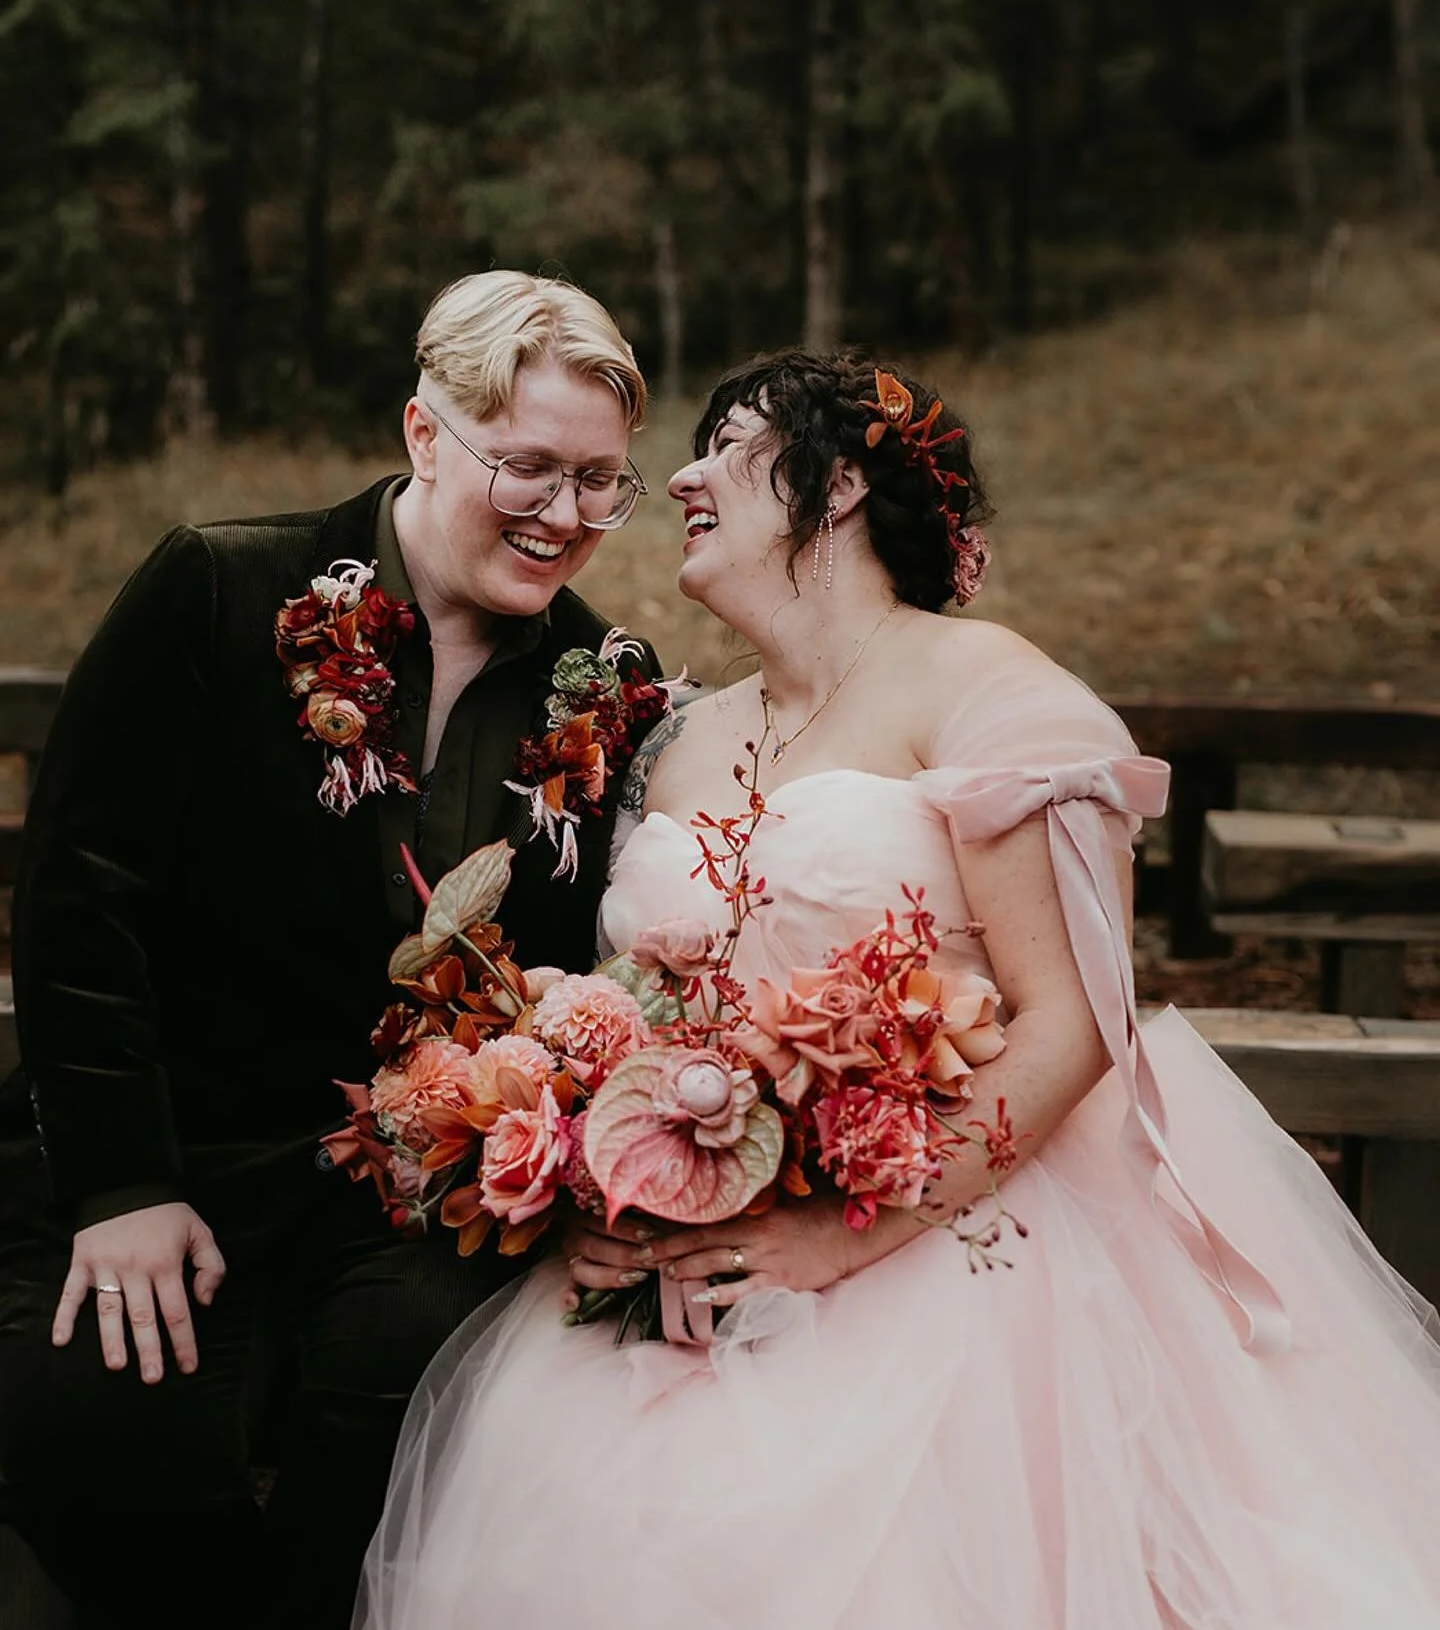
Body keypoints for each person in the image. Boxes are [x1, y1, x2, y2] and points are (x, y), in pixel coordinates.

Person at [354, 348, 1440, 1630]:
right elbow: (639, 1007)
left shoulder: (991, 694)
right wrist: (620, 1185)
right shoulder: (680, 736)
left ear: (843, 486)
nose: (685, 476)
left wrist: (832, 1241)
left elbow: (1078, 1019)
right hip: (684, 1270)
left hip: (965, 1256)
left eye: (728, 443)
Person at [0, 271, 662, 1630]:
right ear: (426, 434)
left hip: (408, 1205)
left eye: (603, 482)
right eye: (529, 467)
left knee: (405, 1432)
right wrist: (121, 1186)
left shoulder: (607, 686)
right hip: (167, 1152)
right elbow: (81, 897)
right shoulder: (222, 588)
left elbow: (589, 967)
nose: (565, 518)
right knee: (101, 1446)